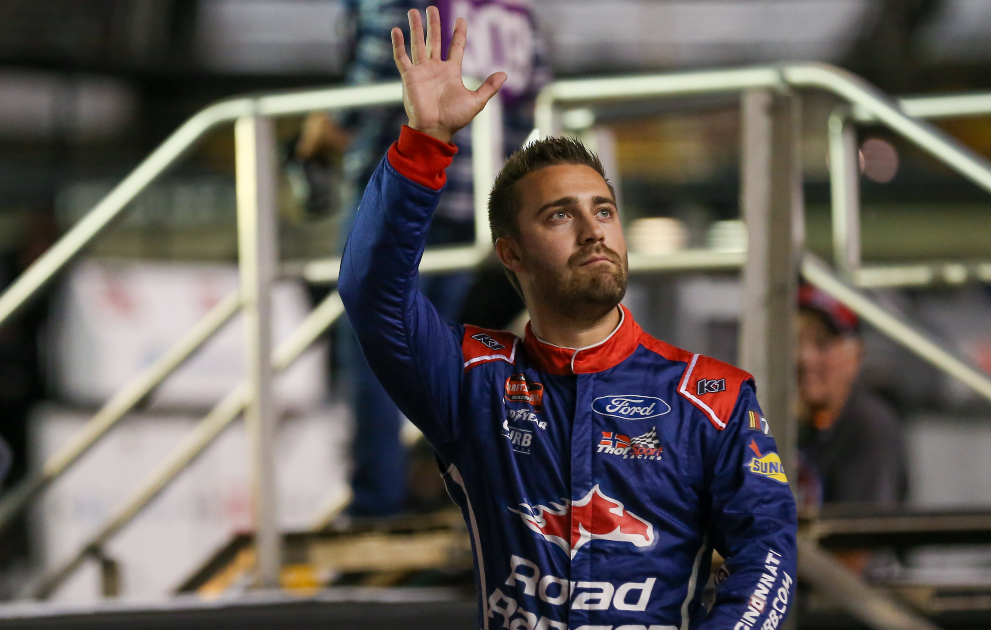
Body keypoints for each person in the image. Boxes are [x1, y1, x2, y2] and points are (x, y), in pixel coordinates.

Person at [338, 9, 797, 629]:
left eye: (603, 210)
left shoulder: (711, 399)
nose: (593, 232)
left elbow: (767, 552)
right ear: (512, 253)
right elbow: (371, 292)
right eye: (559, 216)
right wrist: (425, 144)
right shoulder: (473, 381)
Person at [298, 0, 549, 517]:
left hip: (404, 188)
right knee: (442, 354)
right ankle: (450, 492)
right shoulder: (515, 8)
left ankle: (378, 502)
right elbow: (530, 96)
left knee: (375, 346)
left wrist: (318, 136)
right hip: (473, 196)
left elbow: (369, 81)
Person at [796, 283, 908, 511]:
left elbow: (862, 540)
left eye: (822, 343)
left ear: (857, 354)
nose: (805, 358)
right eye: (796, 341)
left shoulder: (868, 426)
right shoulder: (789, 423)